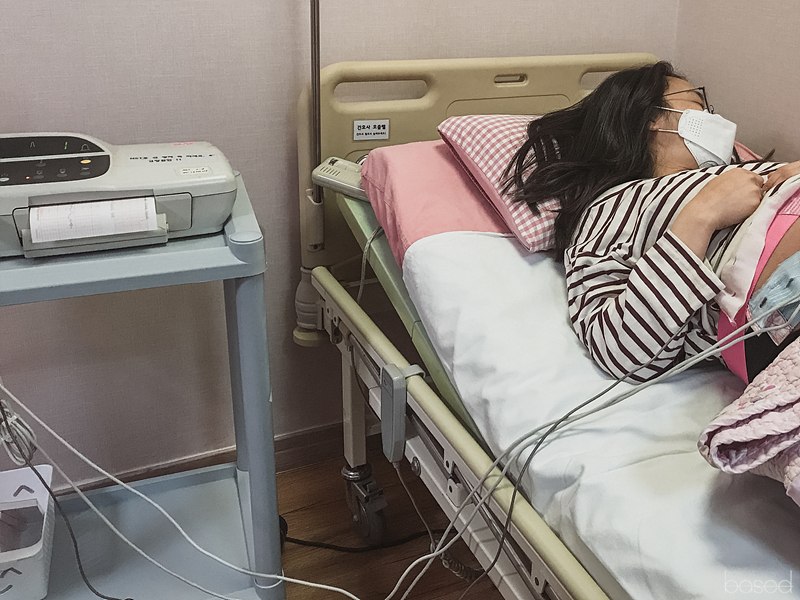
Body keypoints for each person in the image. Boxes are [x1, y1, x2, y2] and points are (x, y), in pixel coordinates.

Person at [504, 61, 800, 383]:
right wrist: (702, 215)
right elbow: (618, 351)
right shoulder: (609, 209)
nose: (714, 118)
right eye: (699, 104)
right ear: (650, 116)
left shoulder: (733, 171)